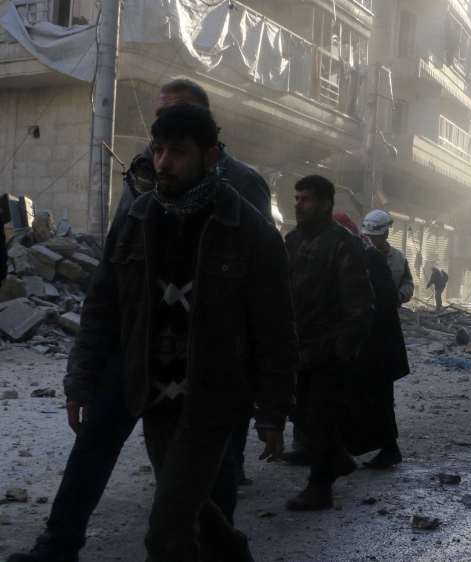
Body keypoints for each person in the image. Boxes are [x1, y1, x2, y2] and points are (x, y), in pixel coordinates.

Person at [61, 103, 296, 561]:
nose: (163, 162)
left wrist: (273, 409)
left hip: (212, 399)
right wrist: (82, 380)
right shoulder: (137, 218)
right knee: (195, 510)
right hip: (150, 396)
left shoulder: (250, 230)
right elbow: (102, 308)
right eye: (159, 149)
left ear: (211, 157)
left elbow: (276, 328)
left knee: (165, 532)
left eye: (178, 152)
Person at [281, 176, 374, 511]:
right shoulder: (292, 240)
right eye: (297, 197)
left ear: (324, 204)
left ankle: (320, 487)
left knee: (320, 417)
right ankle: (337, 457)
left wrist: (344, 348)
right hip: (297, 347)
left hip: (329, 348)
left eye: (306, 199)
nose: (298, 204)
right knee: (299, 412)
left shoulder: (343, 243)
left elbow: (361, 302)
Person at [116, 79, 273, 224]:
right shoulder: (141, 176)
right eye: (160, 114)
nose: (163, 122)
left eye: (175, 113)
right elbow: (120, 239)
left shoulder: (243, 181)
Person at [332, 213, 409, 470]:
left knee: (376, 398)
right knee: (369, 398)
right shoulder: (352, 256)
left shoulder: (373, 258)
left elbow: (384, 301)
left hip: (376, 343)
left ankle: (385, 449)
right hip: (367, 342)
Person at [362, 210, 414, 307]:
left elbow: (408, 284)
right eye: (367, 236)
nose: (369, 240)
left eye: (374, 237)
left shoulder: (399, 258)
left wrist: (400, 296)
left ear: (386, 234)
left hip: (388, 314)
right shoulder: (356, 254)